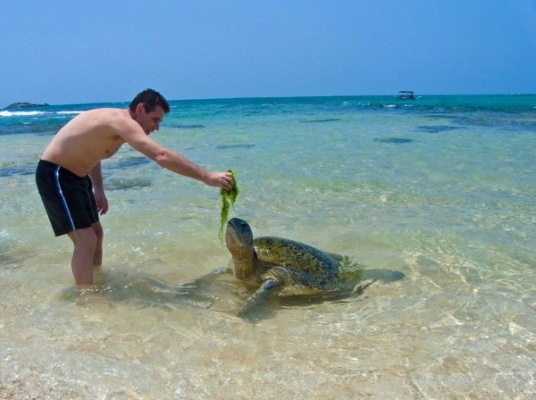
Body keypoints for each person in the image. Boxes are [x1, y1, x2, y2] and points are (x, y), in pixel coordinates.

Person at [35, 89, 234, 288]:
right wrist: (207, 177)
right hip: (56, 175)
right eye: (155, 119)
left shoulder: (117, 125)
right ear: (140, 109)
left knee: (97, 234)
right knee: (85, 240)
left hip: (78, 177)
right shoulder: (120, 121)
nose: (156, 127)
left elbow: (93, 153)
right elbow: (161, 155)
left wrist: (99, 189)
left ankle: (94, 278)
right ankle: (87, 298)